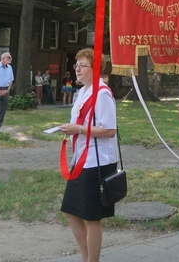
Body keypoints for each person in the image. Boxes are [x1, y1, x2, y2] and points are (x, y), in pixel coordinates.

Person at [58, 48, 118, 262]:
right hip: (81, 159)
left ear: (95, 69)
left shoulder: (101, 93)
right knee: (71, 210)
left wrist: (79, 130)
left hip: (96, 161)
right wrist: (71, 129)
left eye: (82, 66)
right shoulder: (83, 91)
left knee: (91, 217)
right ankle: (86, 258)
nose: (77, 69)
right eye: (76, 65)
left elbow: (110, 130)